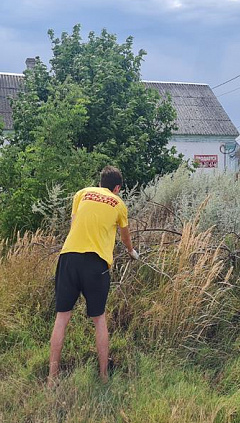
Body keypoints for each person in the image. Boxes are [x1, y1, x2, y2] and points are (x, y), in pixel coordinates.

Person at [48, 166, 139, 387]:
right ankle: (104, 376)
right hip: (96, 262)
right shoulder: (118, 204)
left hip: (69, 257)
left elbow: (74, 224)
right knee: (99, 319)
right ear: (117, 188)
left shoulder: (81, 193)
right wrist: (131, 252)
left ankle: (52, 377)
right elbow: (125, 236)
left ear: (100, 183)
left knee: (62, 318)